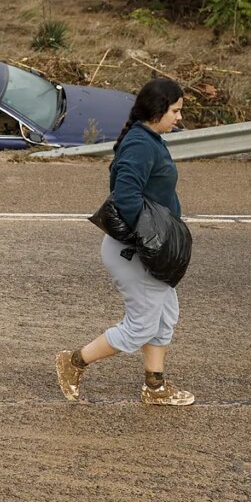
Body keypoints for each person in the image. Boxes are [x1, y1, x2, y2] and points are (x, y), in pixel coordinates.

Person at [55, 78, 196, 406]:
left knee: (164, 316)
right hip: (136, 250)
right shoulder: (140, 144)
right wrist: (152, 244)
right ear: (158, 110)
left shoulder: (151, 137)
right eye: (175, 111)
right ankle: (73, 362)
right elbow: (126, 197)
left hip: (145, 249)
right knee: (141, 326)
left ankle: (155, 387)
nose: (178, 118)